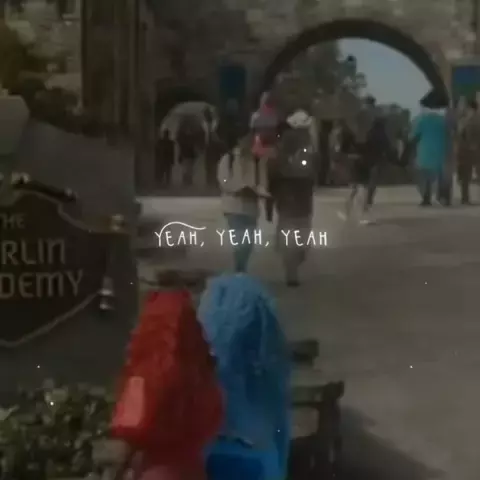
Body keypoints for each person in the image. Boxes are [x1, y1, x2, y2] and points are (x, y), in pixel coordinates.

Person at [108, 289, 223, 480]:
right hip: (194, 470)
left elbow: (129, 434)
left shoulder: (143, 378)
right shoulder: (203, 377)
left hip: (155, 471)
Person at [198, 274, 291, 480]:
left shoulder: (201, 362)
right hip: (256, 454)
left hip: (210, 454)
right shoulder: (267, 362)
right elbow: (279, 428)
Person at [268, 110, 316, 287]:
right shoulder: (283, 151)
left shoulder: (308, 149)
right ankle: (291, 273)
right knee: (293, 241)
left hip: (300, 202)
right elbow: (273, 176)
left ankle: (292, 267)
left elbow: (313, 172)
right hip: (290, 202)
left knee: (299, 243)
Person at [217, 136, 268, 273]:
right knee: (239, 241)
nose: (249, 143)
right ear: (239, 141)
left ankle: (241, 268)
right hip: (233, 208)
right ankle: (240, 270)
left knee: (248, 243)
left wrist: (258, 192)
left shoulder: (257, 161)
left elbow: (263, 183)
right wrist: (239, 189)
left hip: (251, 209)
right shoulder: (228, 159)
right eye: (246, 140)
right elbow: (223, 181)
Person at [338, 117, 395, 225]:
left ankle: (348, 212)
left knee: (357, 189)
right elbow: (387, 150)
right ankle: (363, 212)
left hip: (362, 163)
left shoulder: (368, 134)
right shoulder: (382, 136)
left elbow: (359, 148)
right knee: (365, 189)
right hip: (371, 164)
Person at [409, 92, 451, 206]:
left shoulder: (420, 120)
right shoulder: (443, 120)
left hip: (425, 151)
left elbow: (413, 136)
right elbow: (449, 135)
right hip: (441, 150)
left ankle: (426, 198)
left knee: (424, 176)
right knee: (442, 176)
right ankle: (444, 198)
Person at [456, 99, 480, 204]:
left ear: (470, 108)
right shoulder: (466, 119)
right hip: (471, 151)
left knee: (465, 176)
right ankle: (465, 198)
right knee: (466, 175)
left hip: (467, 151)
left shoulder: (466, 120)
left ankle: (465, 198)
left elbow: (461, 135)